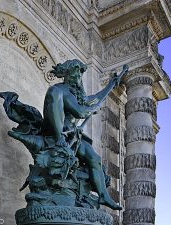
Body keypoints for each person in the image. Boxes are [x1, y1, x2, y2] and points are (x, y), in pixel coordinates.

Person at [42, 59, 122, 210]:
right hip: (61, 135)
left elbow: (95, 99)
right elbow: (80, 111)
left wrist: (111, 85)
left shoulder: (76, 93)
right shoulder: (60, 90)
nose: (78, 77)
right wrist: (91, 110)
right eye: (75, 73)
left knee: (95, 159)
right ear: (66, 74)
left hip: (74, 136)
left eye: (80, 74)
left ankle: (103, 195)